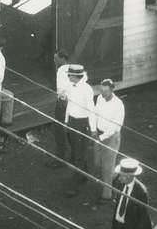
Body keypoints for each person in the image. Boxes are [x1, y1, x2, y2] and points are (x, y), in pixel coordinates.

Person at [61, 64, 94, 197]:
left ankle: (74, 187)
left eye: (70, 75)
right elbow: (69, 104)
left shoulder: (87, 89)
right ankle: (85, 174)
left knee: (78, 155)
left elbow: (91, 110)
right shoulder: (70, 86)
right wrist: (66, 121)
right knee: (75, 149)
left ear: (76, 76)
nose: (68, 77)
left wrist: (92, 129)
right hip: (72, 122)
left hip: (82, 123)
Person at [91, 78, 125, 204]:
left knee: (106, 167)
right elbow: (94, 113)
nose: (103, 93)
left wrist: (101, 137)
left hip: (111, 138)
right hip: (99, 134)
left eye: (105, 91)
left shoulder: (118, 105)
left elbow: (114, 127)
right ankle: (116, 173)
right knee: (97, 163)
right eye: (101, 90)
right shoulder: (100, 98)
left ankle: (107, 195)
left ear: (112, 90)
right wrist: (94, 130)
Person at [108, 158, 151, 229]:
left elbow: (142, 217)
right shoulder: (120, 184)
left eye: (122, 175)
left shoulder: (141, 192)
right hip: (117, 227)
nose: (119, 178)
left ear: (129, 176)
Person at [49, 50, 74, 165]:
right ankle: (73, 156)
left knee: (59, 129)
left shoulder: (61, 70)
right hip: (73, 103)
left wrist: (62, 99)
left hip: (64, 102)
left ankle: (60, 158)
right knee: (70, 128)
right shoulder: (73, 68)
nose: (54, 60)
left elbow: (62, 89)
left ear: (62, 58)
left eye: (56, 58)